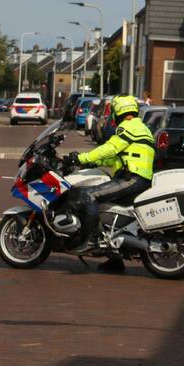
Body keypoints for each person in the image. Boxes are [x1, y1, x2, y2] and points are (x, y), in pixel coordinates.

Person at [62, 94, 155, 272]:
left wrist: (81, 156)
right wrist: (90, 162)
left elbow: (110, 148)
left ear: (117, 112)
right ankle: (115, 260)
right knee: (106, 211)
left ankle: (89, 241)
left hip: (132, 178)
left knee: (89, 195)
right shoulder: (141, 127)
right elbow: (114, 157)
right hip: (137, 178)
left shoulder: (128, 127)